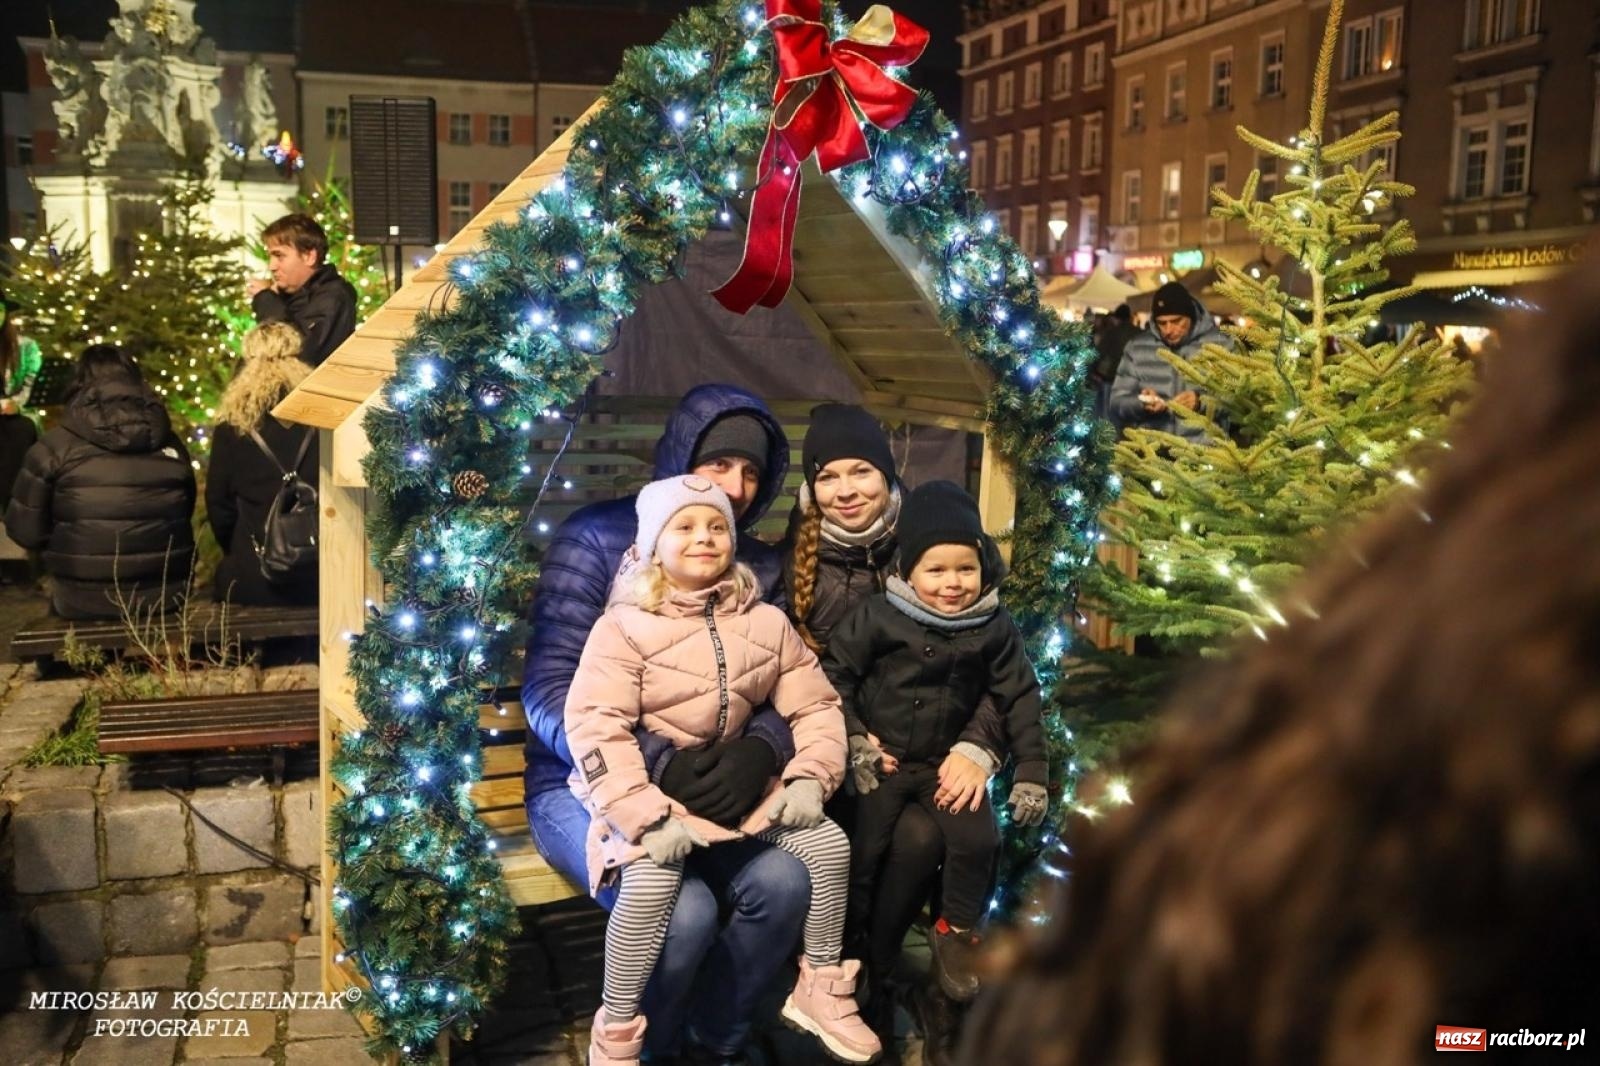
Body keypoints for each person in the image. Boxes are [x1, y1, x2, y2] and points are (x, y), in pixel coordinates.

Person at [960, 251, 1600, 1066]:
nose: (1163, 329)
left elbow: (1229, 412)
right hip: (1162, 485)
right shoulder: (1383, 722)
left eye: (1172, 321)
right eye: (1157, 323)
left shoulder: (1344, 697)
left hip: (1201, 481)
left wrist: (1192, 403)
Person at [522, 384, 809, 1064]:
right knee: (683, 915)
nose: (735, 489)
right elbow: (550, 689)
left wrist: (761, 751)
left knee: (784, 882)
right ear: (682, 456)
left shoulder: (756, 566)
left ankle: (718, 1039)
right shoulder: (594, 538)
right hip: (586, 783)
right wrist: (657, 761)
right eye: (719, 466)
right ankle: (648, 1049)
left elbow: (789, 686)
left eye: (751, 474)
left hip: (714, 784)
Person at [569, 474, 875, 1066]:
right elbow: (595, 724)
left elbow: (814, 704)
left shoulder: (765, 622)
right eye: (683, 527)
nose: (703, 538)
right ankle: (618, 1031)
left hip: (742, 793)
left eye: (716, 527)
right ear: (654, 543)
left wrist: (811, 775)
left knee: (828, 843)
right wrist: (643, 811)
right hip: (651, 795)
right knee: (655, 879)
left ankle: (821, 985)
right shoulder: (624, 627)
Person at [782, 405, 1008, 1063]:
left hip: (932, 756)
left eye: (863, 472)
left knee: (928, 832)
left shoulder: (936, 544)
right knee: (889, 836)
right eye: (829, 476)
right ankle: (866, 986)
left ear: (889, 477)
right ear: (810, 489)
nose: (847, 490)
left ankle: (893, 984)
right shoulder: (795, 565)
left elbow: (996, 667)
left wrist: (982, 747)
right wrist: (844, 736)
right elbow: (791, 677)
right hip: (835, 757)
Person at [823, 480, 1047, 1006]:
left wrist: (1032, 769)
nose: (953, 583)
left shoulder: (993, 625)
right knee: (864, 856)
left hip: (947, 767)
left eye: (965, 569)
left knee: (979, 841)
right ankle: (849, 956)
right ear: (908, 571)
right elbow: (834, 675)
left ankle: (955, 933)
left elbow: (1019, 693)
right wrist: (854, 735)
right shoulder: (880, 615)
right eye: (936, 570)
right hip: (883, 765)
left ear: (984, 567)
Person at [4, 345, 195, 619]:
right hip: (165, 593)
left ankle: (62, 664)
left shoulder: (54, 447)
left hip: (81, 597)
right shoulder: (170, 443)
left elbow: (25, 532)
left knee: (56, 649)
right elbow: (184, 510)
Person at [205, 322, 317, 606]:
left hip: (255, 575)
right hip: (319, 570)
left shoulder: (235, 424)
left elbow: (219, 503)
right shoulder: (318, 415)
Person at [1109, 282, 1233, 441]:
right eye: (1162, 323)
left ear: (1191, 316)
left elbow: (1238, 401)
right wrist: (1141, 404)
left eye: (1176, 321)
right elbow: (1117, 403)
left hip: (1205, 454)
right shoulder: (1137, 348)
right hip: (1152, 455)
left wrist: (1200, 402)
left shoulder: (1220, 345)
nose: (1168, 330)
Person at [247, 213, 357, 367]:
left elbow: (300, 353)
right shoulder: (287, 295)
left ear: (309, 256)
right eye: (270, 257)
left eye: (279, 256)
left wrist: (266, 300)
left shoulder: (334, 297)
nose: (272, 266)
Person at [0, 290, 44, 512]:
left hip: (14, 413)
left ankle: (14, 505)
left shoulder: (26, 347)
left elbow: (32, 384)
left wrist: (17, 404)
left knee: (21, 429)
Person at [1089, 304, 1139, 423]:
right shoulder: (1138, 333)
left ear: (1117, 318)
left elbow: (1100, 352)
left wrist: (1093, 371)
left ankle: (1112, 438)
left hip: (1112, 377)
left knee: (1110, 413)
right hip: (1134, 379)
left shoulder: (1112, 332)